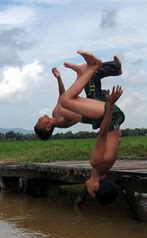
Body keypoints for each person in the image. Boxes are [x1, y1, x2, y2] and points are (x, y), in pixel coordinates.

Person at [58, 50, 125, 204]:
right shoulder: (97, 162)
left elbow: (116, 140)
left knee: (68, 105)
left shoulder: (106, 166)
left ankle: (87, 71)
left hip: (113, 119)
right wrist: (109, 105)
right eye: (91, 193)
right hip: (109, 116)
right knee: (66, 100)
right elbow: (102, 134)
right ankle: (92, 68)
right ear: (95, 187)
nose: (87, 191)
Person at [34, 56, 122, 140]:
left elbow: (62, 95)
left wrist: (58, 78)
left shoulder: (54, 113)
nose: (39, 119)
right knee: (89, 76)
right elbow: (69, 102)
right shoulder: (61, 122)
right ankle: (111, 70)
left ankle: (114, 68)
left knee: (90, 75)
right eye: (39, 123)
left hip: (91, 103)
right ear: (48, 127)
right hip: (94, 111)